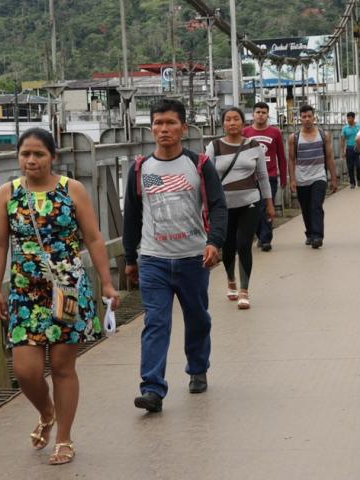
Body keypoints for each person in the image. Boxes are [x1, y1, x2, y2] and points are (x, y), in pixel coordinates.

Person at [0, 128, 120, 465]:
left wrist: (107, 283)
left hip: (67, 289)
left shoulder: (71, 189)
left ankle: (64, 438)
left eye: (39, 154)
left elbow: (93, 238)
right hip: (25, 293)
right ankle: (47, 411)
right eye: (25, 154)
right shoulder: (8, 194)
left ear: (53, 157)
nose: (31, 160)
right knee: (26, 371)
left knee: (62, 367)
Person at [123, 98, 227, 413]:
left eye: (170, 123)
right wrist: (130, 258)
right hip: (153, 259)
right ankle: (152, 389)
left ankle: (198, 367)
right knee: (156, 322)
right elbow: (132, 216)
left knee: (197, 318)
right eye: (158, 123)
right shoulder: (141, 169)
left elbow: (218, 206)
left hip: (193, 259)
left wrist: (214, 242)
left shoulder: (199, 165)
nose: (164, 129)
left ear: (183, 128)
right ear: (151, 129)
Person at [208, 107, 275, 309]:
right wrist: (206, 205)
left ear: (243, 122)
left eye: (236, 119)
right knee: (228, 245)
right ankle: (231, 280)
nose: (232, 123)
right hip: (223, 206)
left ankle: (244, 290)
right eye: (228, 119)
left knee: (244, 244)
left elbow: (262, 176)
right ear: (222, 124)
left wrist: (269, 202)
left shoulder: (254, 146)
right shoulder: (214, 146)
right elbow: (207, 179)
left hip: (250, 203)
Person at [288, 104, 338, 249]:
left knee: (316, 206)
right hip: (301, 178)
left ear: (314, 118)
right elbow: (291, 159)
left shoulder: (323, 135)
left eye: (309, 116)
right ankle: (310, 233)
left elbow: (329, 157)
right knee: (306, 208)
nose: (307, 119)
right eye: (304, 117)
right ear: (300, 119)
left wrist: (333, 178)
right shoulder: (294, 138)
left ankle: (317, 236)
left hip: (319, 177)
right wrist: (292, 179)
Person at [243, 102, 286, 252]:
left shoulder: (275, 132)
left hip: (270, 176)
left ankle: (266, 239)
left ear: (268, 115)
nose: (260, 115)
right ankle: (261, 235)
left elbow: (281, 156)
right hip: (250, 178)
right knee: (254, 209)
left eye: (263, 112)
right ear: (253, 114)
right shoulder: (245, 132)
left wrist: (284, 178)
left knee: (266, 206)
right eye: (258, 112)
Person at [340, 112, 360, 189]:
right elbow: (342, 140)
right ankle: (352, 183)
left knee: (359, 166)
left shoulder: (359, 126)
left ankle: (359, 179)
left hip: (358, 148)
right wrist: (342, 151)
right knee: (350, 166)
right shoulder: (345, 128)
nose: (348, 120)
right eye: (348, 118)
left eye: (350, 118)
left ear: (353, 118)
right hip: (349, 149)